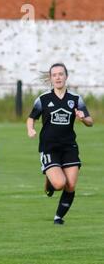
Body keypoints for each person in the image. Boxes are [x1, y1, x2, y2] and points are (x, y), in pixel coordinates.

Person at [27, 63, 93, 225]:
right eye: (54, 75)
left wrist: (83, 118)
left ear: (66, 76)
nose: (58, 77)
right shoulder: (43, 98)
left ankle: (58, 217)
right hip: (49, 147)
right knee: (59, 184)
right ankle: (50, 181)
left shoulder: (75, 99)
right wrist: (31, 129)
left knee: (70, 185)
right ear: (50, 78)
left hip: (69, 146)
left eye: (60, 74)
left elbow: (90, 122)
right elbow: (31, 118)